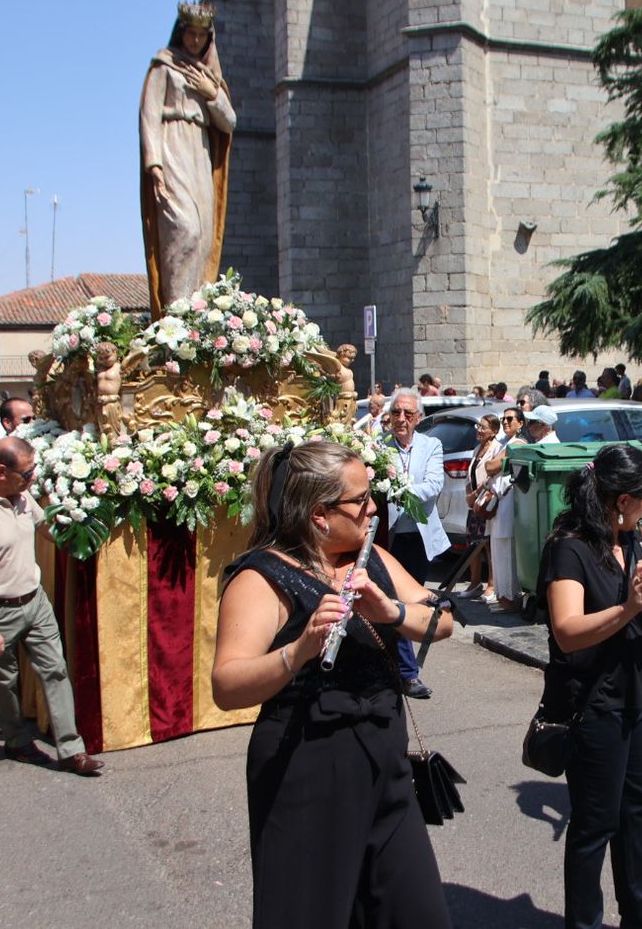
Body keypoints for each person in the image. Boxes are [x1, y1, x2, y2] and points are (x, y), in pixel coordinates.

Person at [211, 440, 453, 929]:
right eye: (360, 500)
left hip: (383, 757)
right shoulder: (261, 577)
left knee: (416, 911)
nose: (373, 508)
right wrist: (299, 649)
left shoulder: (372, 557)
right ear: (319, 515)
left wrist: (391, 611)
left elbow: (442, 621)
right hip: (308, 763)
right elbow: (227, 685)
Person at [539, 444, 642, 929]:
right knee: (594, 825)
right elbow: (567, 631)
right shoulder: (570, 547)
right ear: (622, 500)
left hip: (634, 699)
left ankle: (641, 913)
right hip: (591, 704)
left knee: (634, 812)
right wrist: (628, 607)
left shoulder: (636, 540)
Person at [0, 438, 103, 775]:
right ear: (1, 472)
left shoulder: (21, 496)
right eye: (27, 473)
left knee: (56, 670)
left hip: (34, 601)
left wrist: (83, 535)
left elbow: (45, 529)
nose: (32, 479)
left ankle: (71, 750)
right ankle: (17, 741)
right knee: (4, 682)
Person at [139, 0, 236, 315]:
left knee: (203, 236)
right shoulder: (164, 65)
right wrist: (153, 163)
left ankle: (198, 316)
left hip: (200, 153)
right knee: (185, 228)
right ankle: (177, 316)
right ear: (180, 32)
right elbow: (149, 114)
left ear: (208, 39)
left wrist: (212, 93)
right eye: (190, 33)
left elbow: (229, 123)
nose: (195, 40)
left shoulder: (209, 76)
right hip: (172, 147)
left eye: (201, 35)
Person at [382, 390, 448, 699]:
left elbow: (433, 485)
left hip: (419, 537)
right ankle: (407, 673)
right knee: (392, 600)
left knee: (413, 602)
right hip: (388, 536)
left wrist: (398, 489)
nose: (401, 419)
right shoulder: (379, 447)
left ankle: (403, 671)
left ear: (418, 418)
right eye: (396, 412)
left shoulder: (431, 445)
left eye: (408, 414)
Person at [486, 406, 531, 612]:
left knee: (506, 548)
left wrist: (492, 463)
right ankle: (503, 596)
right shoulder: (506, 442)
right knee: (498, 548)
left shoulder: (518, 443)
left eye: (510, 418)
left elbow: (491, 466)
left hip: (508, 500)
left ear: (520, 423)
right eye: (503, 418)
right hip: (500, 500)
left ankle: (510, 598)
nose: (505, 422)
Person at [455, 413, 501, 605]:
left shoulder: (496, 449)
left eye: (483, 427)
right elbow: (470, 474)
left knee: (488, 545)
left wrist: (475, 494)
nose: (479, 430)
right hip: (473, 504)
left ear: (494, 431)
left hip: (485, 503)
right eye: (478, 427)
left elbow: (491, 476)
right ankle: (474, 584)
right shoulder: (477, 448)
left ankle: (492, 585)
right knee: (472, 545)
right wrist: (469, 493)